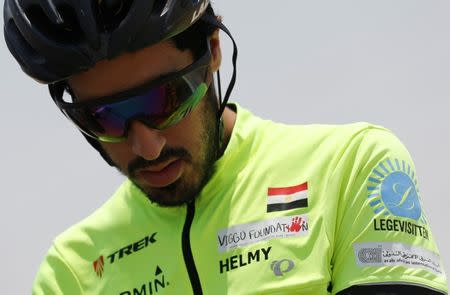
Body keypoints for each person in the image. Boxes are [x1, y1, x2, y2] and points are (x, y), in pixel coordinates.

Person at [4, 0, 448, 294]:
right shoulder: (72, 271)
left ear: (213, 52)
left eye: (165, 100)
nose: (147, 145)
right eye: (102, 117)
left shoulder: (353, 168)